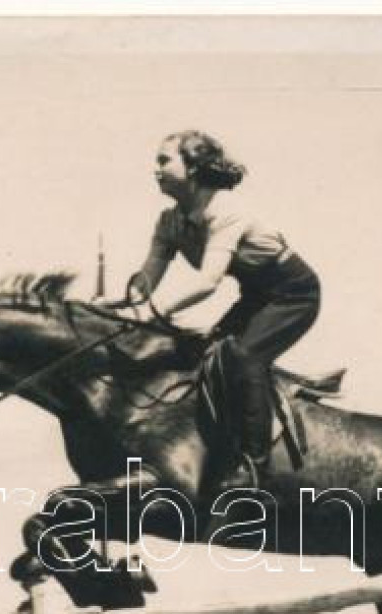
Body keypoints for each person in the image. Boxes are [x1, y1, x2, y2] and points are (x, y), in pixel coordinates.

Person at [113, 130, 322, 492]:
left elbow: (208, 282)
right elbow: (146, 280)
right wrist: (120, 304)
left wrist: (153, 311)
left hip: (294, 295)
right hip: (257, 295)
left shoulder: (225, 211)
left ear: (193, 167)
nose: (156, 169)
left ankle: (256, 471)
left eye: (165, 161)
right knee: (208, 355)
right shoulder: (169, 222)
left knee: (242, 357)